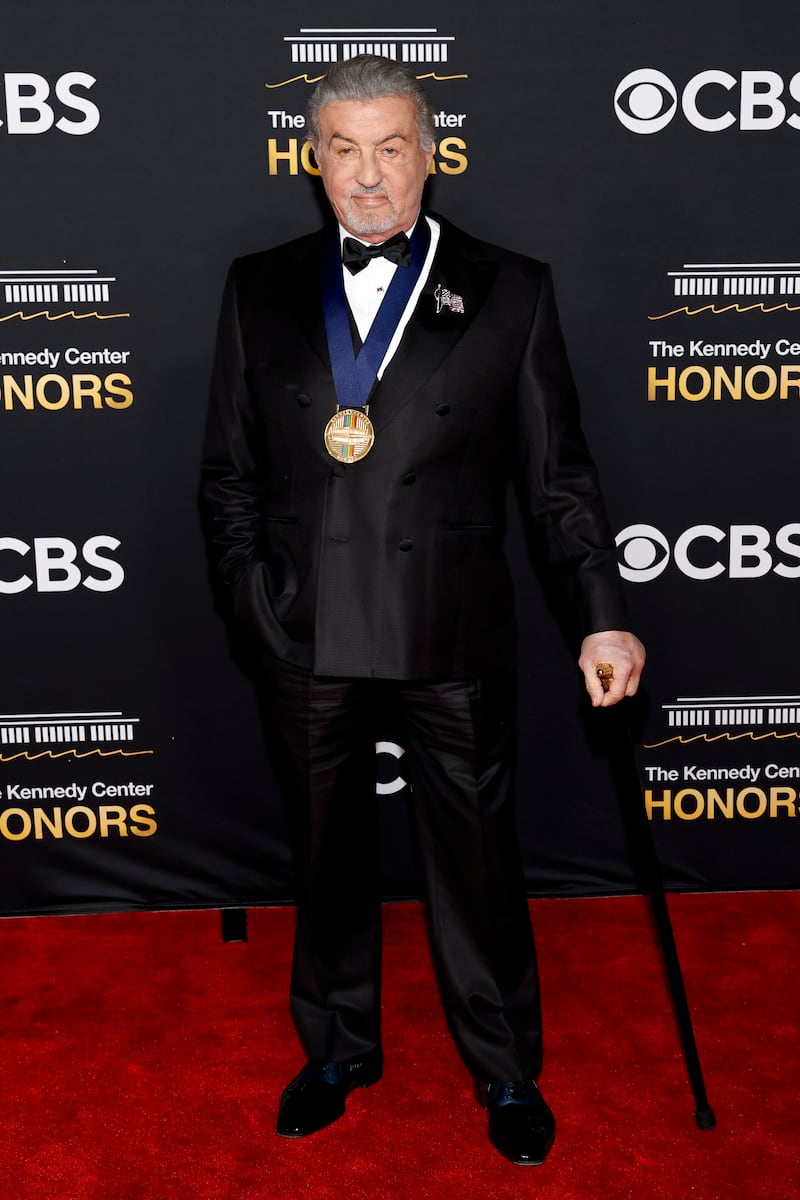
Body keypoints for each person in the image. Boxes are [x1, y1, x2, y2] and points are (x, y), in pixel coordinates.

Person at [201, 53, 644, 1166]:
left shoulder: (511, 287)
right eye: (343, 150)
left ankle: (502, 1069)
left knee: (477, 862)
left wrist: (598, 613)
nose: (367, 176)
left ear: (430, 154)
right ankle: (339, 1047)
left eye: (390, 147)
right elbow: (229, 475)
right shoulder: (256, 286)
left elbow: (559, 484)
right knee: (325, 858)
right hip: (302, 632)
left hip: (449, 627)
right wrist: (254, 604)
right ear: (312, 161)